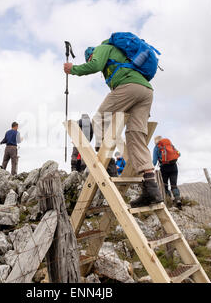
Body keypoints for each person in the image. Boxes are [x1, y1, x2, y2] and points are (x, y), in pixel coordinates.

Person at [63, 38, 163, 208]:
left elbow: (94, 65)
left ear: (90, 55)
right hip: (146, 91)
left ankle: (107, 162)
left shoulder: (102, 48)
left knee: (99, 118)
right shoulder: (120, 57)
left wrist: (73, 69)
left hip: (129, 86)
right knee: (135, 134)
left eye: (89, 58)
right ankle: (151, 188)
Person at [153, 136, 182, 209]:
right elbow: (179, 154)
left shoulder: (157, 147)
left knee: (165, 185)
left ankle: (169, 201)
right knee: (174, 184)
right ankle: (178, 199)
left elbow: (154, 161)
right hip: (174, 166)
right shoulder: (170, 145)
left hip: (164, 168)